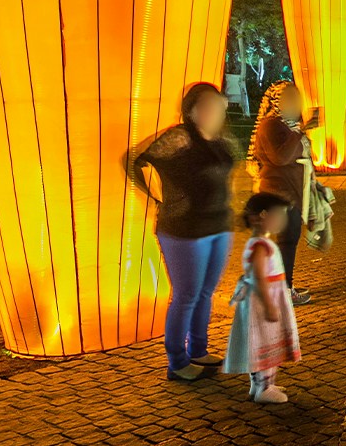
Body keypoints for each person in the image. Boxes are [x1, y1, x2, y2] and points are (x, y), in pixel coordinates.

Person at [130, 83, 237, 381]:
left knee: (205, 292)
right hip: (184, 229)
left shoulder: (217, 138)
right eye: (207, 106)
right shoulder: (179, 137)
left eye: (217, 105)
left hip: (217, 226)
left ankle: (199, 351)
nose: (214, 111)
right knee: (186, 295)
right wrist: (156, 197)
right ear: (191, 110)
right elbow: (135, 161)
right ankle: (177, 363)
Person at [224, 193, 303, 404]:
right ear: (263, 216)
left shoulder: (260, 242)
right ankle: (263, 388)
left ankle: (259, 384)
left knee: (261, 341)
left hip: (263, 298)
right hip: (262, 301)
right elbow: (259, 276)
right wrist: (269, 304)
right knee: (265, 341)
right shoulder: (261, 245)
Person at [251, 80, 318, 306]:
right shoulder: (271, 125)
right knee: (285, 245)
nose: (295, 104)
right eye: (289, 98)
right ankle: (282, 291)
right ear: (277, 101)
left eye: (297, 98)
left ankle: (282, 287)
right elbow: (281, 157)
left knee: (287, 244)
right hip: (278, 195)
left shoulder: (288, 126)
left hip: (291, 193)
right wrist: (300, 131)